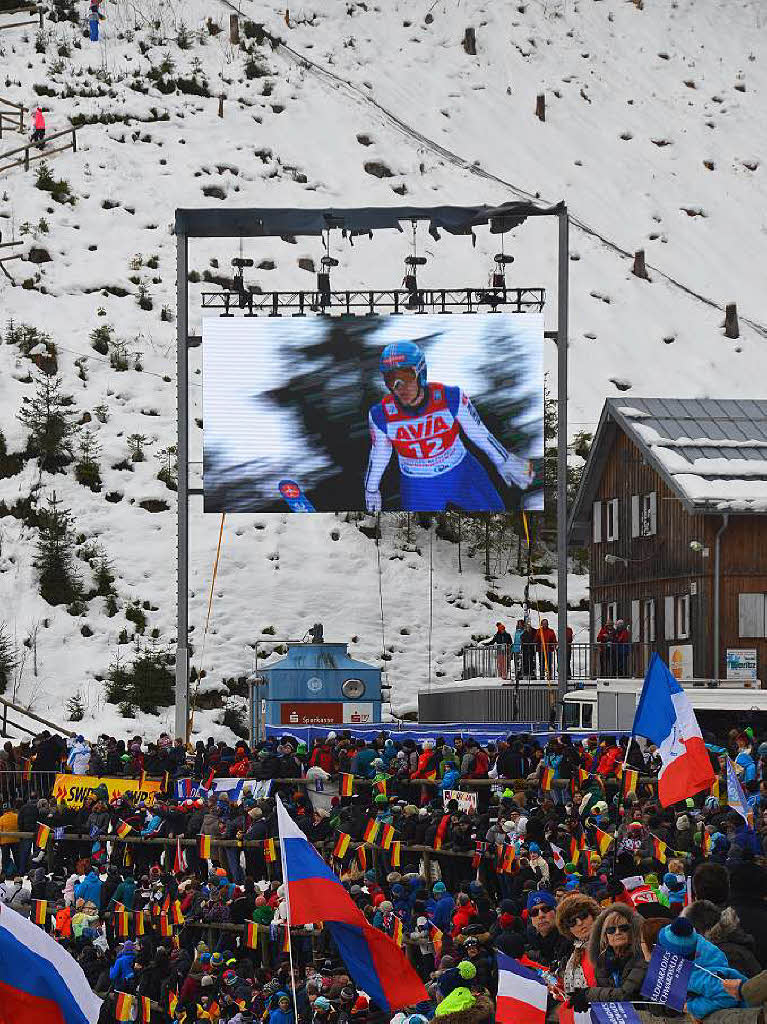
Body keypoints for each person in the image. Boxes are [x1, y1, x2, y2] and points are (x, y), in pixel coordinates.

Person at [364, 341, 534, 512]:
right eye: (391, 379)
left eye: (406, 376)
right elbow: (380, 453)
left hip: (461, 472)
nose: (399, 386)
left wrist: (503, 460)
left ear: (421, 372)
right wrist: (371, 489)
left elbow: (478, 433)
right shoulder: (381, 415)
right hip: (418, 485)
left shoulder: (450, 398)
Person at [568, 903, 646, 1010]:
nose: (617, 932)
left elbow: (627, 995)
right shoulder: (602, 960)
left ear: (633, 931)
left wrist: (587, 994)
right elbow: (606, 998)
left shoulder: (642, 957)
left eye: (624, 928)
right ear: (605, 936)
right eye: (611, 930)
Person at [556, 893, 600, 996]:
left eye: (583, 916)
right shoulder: (573, 955)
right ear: (568, 929)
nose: (580, 923)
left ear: (593, 915)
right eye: (572, 922)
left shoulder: (612, 940)